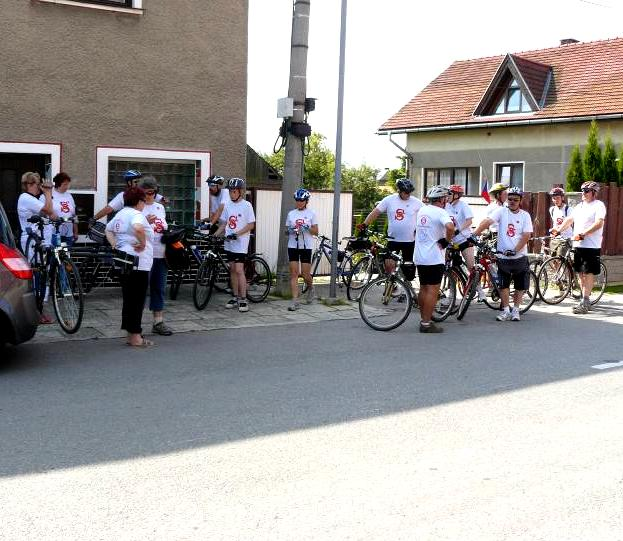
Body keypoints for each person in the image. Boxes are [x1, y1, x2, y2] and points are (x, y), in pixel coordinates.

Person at [474, 186, 533, 322]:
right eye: (510, 199)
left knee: (519, 286)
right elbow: (487, 221)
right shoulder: (501, 211)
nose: (512, 201)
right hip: (503, 256)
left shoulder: (525, 215)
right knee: (503, 285)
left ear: (520, 201)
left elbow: (526, 235)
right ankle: (506, 310)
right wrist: (474, 234)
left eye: (515, 199)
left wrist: (515, 250)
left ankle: (516, 310)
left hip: (519, 256)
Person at [105, 186, 154, 347]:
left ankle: (130, 334)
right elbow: (138, 228)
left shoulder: (120, 214)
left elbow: (108, 229)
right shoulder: (136, 214)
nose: (144, 204)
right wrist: (143, 242)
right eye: (143, 201)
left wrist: (115, 245)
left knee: (128, 299)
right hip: (137, 264)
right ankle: (136, 337)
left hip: (123, 262)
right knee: (137, 300)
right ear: (138, 201)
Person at [551, 180, 606, 314]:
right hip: (578, 244)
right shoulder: (579, 206)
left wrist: (584, 233)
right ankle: (584, 298)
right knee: (581, 273)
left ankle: (585, 300)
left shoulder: (598, 205)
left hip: (591, 245)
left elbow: (599, 223)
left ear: (594, 193)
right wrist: (558, 230)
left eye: (586, 191)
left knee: (588, 272)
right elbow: (569, 220)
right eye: (582, 191)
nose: (583, 193)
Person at [359, 178, 422, 281]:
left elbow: (426, 216)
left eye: (410, 192)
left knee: (409, 271)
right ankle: (393, 287)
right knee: (388, 264)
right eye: (406, 192)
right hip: (393, 240)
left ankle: (407, 291)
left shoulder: (416, 202)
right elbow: (375, 212)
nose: (408, 194)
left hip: (410, 241)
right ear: (399, 191)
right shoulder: (389, 200)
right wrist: (365, 224)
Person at [414, 185, 454, 333]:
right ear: (442, 199)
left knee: (423, 288)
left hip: (419, 256)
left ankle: (423, 318)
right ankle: (426, 323)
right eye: (446, 198)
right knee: (433, 290)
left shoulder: (422, 210)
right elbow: (450, 227)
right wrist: (446, 241)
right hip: (434, 257)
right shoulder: (441, 212)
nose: (447, 201)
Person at [17, 172, 55, 324]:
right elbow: (49, 210)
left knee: (42, 275)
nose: (39, 187)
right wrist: (48, 192)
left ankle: (39, 310)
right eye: (37, 184)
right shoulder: (26, 198)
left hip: (38, 241)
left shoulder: (29, 198)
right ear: (29, 185)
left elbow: (49, 213)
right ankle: (36, 312)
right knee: (38, 276)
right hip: (32, 243)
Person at [139, 176, 174, 336]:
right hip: (144, 255)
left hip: (161, 253)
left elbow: (163, 227)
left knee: (159, 288)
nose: (149, 196)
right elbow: (131, 229)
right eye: (146, 193)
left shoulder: (160, 208)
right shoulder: (137, 208)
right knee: (140, 289)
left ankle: (158, 322)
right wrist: (145, 221)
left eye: (152, 192)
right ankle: (135, 324)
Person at [221, 177, 255, 313]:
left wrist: (237, 234)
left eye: (234, 191)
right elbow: (224, 223)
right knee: (232, 270)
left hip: (240, 243)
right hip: (229, 243)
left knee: (240, 270)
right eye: (230, 191)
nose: (232, 193)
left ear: (240, 191)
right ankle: (235, 296)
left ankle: (243, 299)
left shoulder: (247, 205)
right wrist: (216, 234)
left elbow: (251, 225)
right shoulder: (228, 205)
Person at [445, 184, 485, 301]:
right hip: (451, 242)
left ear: (457, 195)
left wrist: (458, 230)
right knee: (450, 269)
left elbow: (469, 221)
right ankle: (451, 295)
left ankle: (480, 291)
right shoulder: (446, 206)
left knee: (470, 266)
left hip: (464, 239)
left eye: (450, 194)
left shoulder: (463, 205)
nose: (448, 196)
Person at [285, 188, 319, 311]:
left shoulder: (311, 214)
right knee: (294, 273)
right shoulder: (291, 214)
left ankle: (311, 288)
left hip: (306, 246)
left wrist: (306, 228)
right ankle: (295, 300)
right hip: (293, 245)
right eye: (297, 200)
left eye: (302, 200)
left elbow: (316, 231)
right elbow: (286, 231)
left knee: (305, 274)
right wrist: (292, 230)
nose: (299, 202)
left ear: (306, 201)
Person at [93, 170, 165, 221]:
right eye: (136, 182)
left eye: (140, 181)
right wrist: (94, 219)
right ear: (129, 183)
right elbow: (108, 208)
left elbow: (162, 200)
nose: (139, 184)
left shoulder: (149, 192)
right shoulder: (123, 195)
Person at [47, 172, 78, 246]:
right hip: (55, 233)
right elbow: (44, 212)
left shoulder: (69, 195)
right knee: (56, 255)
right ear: (58, 184)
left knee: (66, 255)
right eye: (65, 184)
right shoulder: (49, 194)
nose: (67, 187)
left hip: (68, 234)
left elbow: (74, 215)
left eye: (68, 184)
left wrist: (76, 231)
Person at [548, 186, 572, 257]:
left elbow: (568, 223)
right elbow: (555, 223)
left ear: (562, 198)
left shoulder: (568, 209)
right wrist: (553, 230)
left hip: (566, 238)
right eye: (554, 198)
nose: (555, 200)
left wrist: (558, 230)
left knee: (561, 259)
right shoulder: (552, 209)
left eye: (558, 198)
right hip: (555, 238)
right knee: (553, 260)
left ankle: (567, 268)